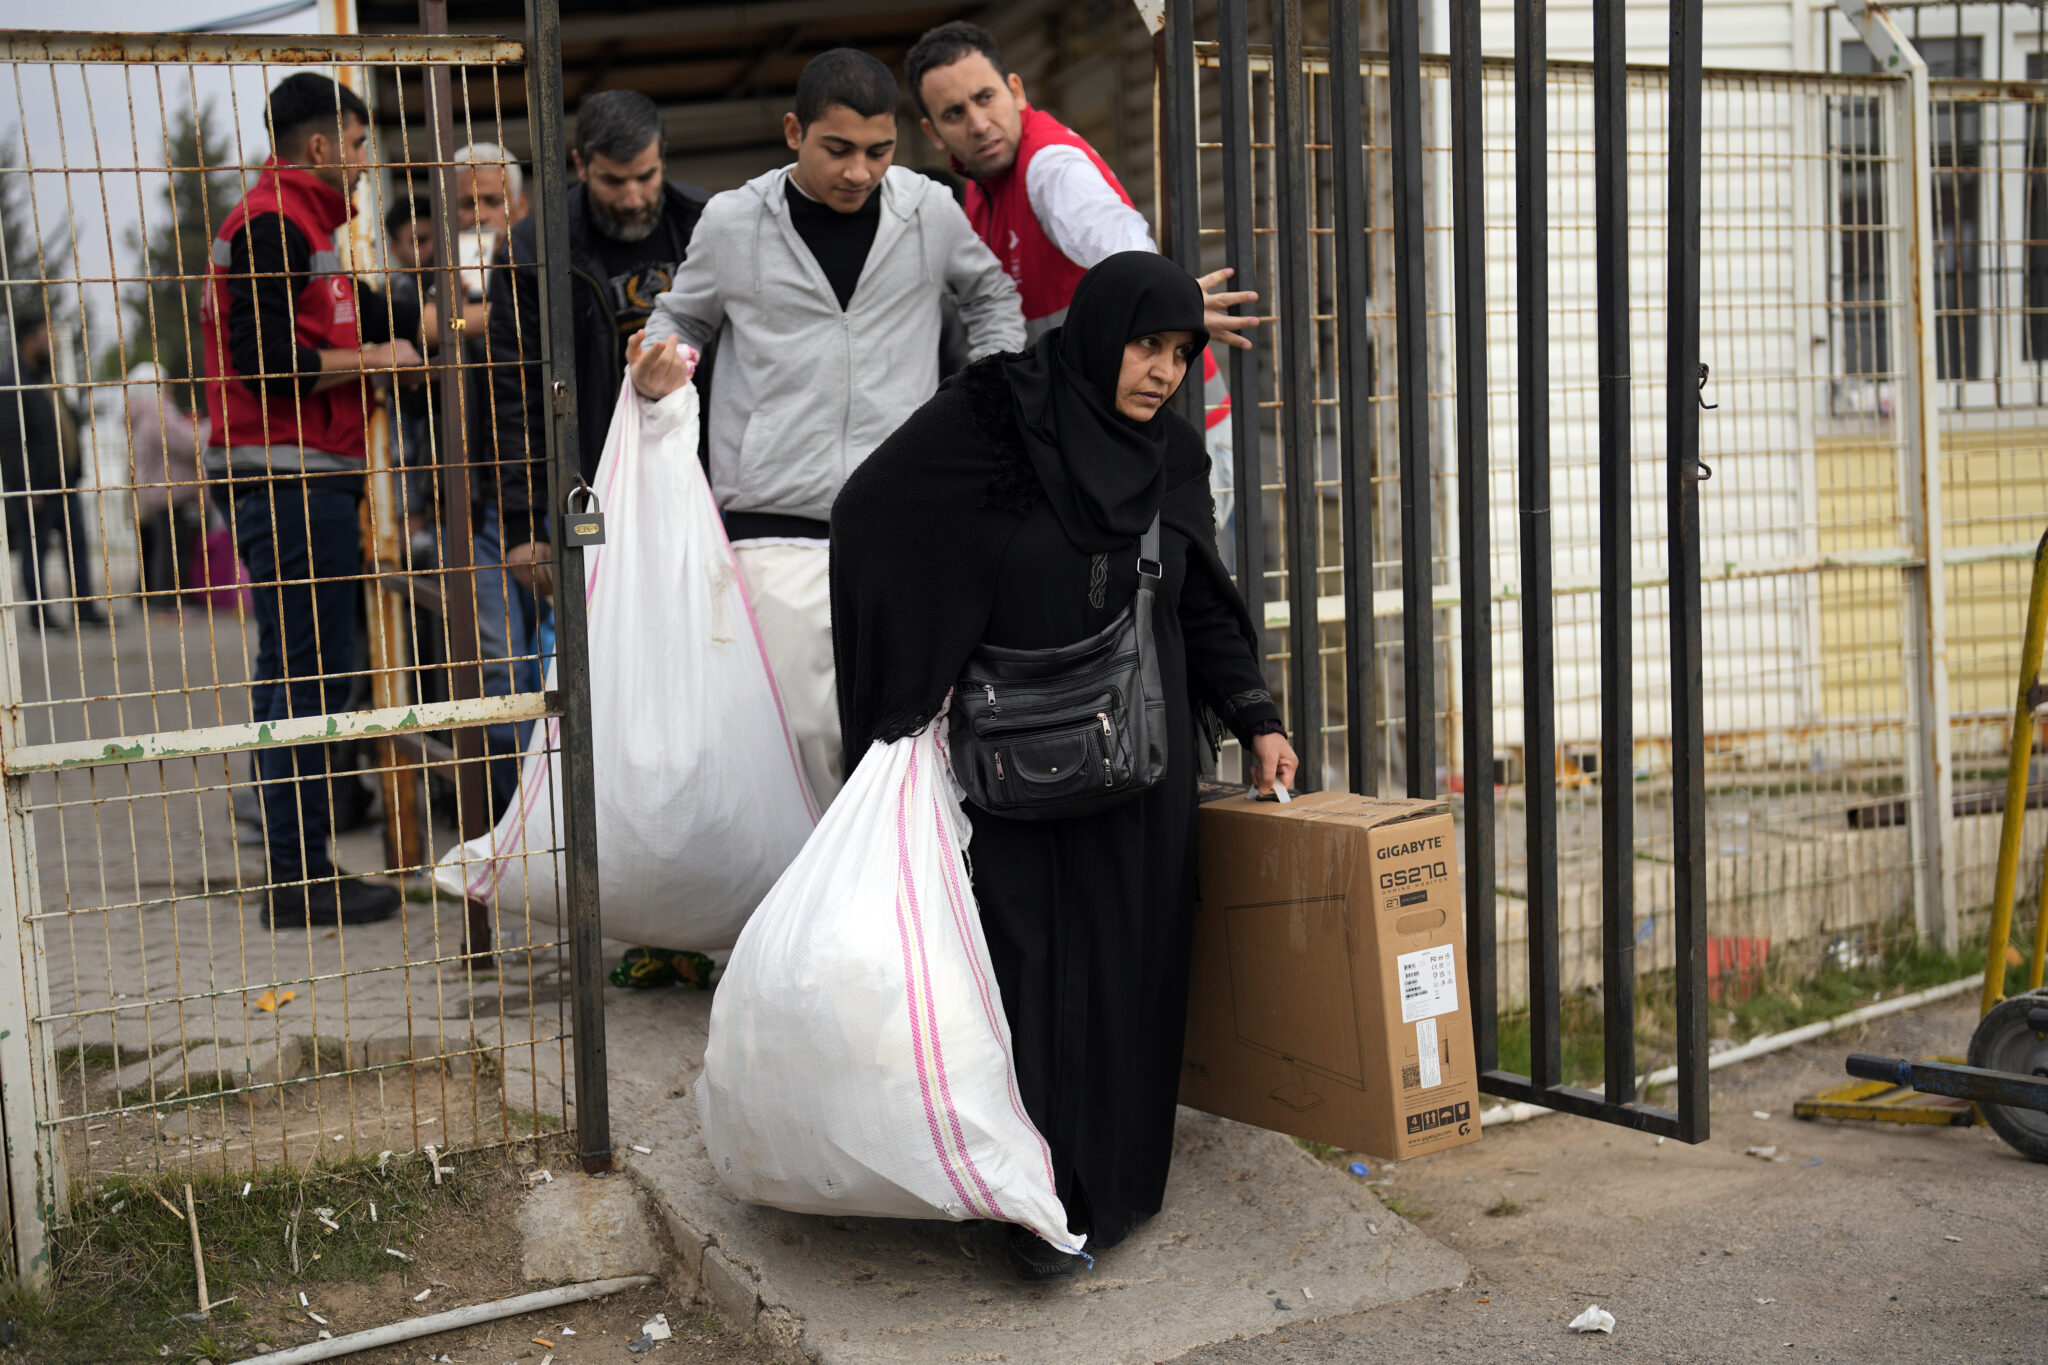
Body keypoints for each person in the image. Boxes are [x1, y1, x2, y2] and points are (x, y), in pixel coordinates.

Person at [831, 253, 1298, 1279]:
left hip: (1139, 769)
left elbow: (1198, 601)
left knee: (1132, 969)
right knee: (1024, 976)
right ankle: (1031, 1204)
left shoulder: (1169, 455)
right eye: (1146, 344)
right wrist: (915, 680)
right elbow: (875, 516)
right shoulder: (999, 414)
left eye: (1181, 353)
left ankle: (1109, 1195)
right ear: (1097, 333)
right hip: (1012, 766)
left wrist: (1255, 718)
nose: (1162, 370)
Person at [635, 48, 1024, 810]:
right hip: (774, 519)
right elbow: (682, 318)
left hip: (900, 516)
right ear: (793, 132)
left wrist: (985, 397)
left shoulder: (928, 212)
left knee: (903, 728)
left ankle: (883, 909)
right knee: (801, 733)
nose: (859, 172)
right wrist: (663, 361)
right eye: (837, 149)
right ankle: (801, 912)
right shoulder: (734, 219)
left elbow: (992, 298)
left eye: (879, 151)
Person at [201, 71, 443, 928]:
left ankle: (298, 865)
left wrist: (448, 321)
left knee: (300, 670)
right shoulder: (271, 223)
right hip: (287, 476)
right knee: (310, 673)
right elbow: (262, 359)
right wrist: (377, 362)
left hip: (303, 474)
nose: (365, 159)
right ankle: (300, 876)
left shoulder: (307, 230)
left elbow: (383, 318)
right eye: (359, 143)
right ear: (321, 146)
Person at [905, 20, 1258, 545]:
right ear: (933, 132)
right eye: (955, 113)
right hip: (1113, 442)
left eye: (986, 97)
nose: (979, 123)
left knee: (1188, 606)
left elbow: (1120, 245)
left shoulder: (1049, 167)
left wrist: (1170, 303)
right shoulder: (980, 194)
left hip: (1176, 432)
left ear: (1016, 91)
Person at [492, 91, 708, 601]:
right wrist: (525, 525)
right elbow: (512, 392)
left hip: (702, 475)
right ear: (580, 165)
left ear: (663, 156)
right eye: (614, 180)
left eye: (645, 176)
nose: (633, 197)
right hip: (591, 483)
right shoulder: (534, 250)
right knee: (605, 647)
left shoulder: (707, 224)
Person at [0, 312, 77, 631]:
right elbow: (12, 442)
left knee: (76, 548)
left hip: (64, 481)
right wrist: (26, 487)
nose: (55, 343)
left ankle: (82, 608)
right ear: (29, 342)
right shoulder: (12, 382)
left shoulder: (46, 379)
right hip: (36, 487)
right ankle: (39, 614)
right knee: (36, 550)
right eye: (48, 337)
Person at [124, 361, 207, 611]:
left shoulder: (139, 413)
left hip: (157, 487)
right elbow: (185, 442)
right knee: (173, 548)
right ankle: (169, 602)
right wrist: (209, 429)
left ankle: (165, 599)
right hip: (170, 488)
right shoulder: (157, 412)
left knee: (164, 545)